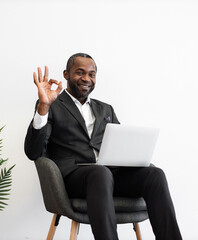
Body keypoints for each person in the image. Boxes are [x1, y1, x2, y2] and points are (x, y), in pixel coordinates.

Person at [25, 53, 182, 240]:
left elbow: (122, 145)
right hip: (75, 178)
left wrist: (134, 156)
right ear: (66, 75)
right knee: (100, 173)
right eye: (79, 72)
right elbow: (33, 152)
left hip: (109, 176)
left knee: (155, 175)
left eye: (92, 74)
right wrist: (43, 106)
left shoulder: (106, 109)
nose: (86, 79)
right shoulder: (52, 105)